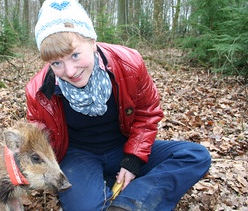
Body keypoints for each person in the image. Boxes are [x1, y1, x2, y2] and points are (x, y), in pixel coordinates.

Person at [25, 0, 211, 210]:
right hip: (78, 157)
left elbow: (146, 114)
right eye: (56, 63)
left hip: (123, 147)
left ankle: (126, 203)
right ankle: (108, 187)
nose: (69, 71)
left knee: (195, 156)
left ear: (92, 42)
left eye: (75, 55)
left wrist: (133, 160)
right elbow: (38, 142)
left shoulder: (129, 63)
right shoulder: (39, 91)